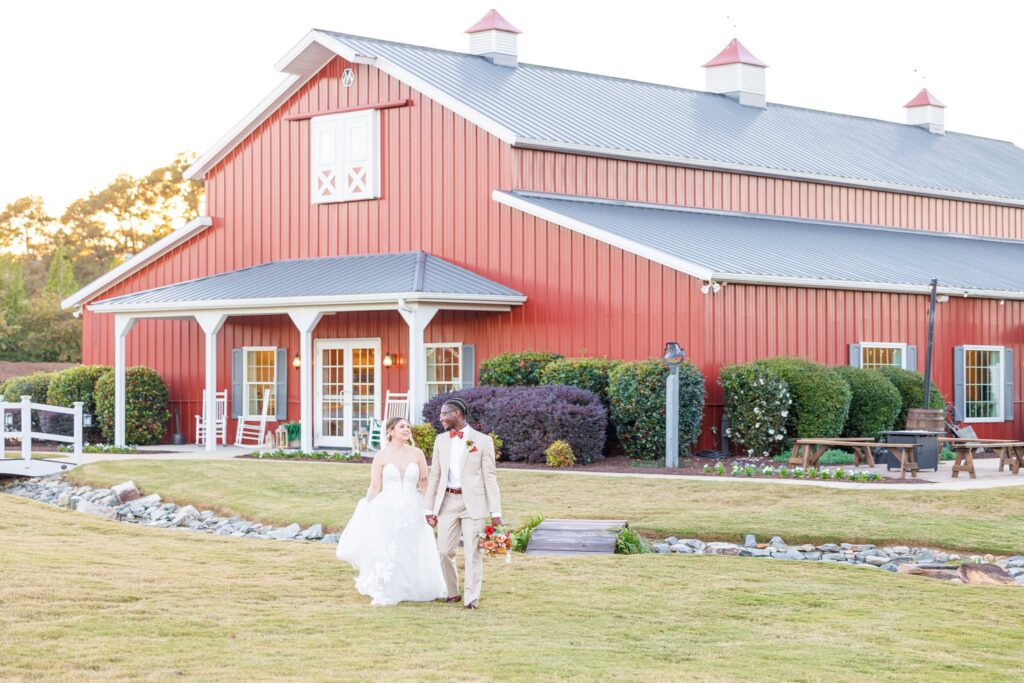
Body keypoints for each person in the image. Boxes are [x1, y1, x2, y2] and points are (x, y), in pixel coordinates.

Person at [336, 417, 447, 606]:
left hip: (414, 507)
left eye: (408, 426)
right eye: (402, 426)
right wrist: (366, 503)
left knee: (414, 547)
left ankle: (416, 585)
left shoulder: (417, 453)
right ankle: (390, 588)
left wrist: (430, 508)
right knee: (391, 547)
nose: (407, 429)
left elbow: (424, 483)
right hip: (388, 508)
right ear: (391, 431)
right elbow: (375, 485)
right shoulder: (381, 456)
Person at [424, 398, 503, 609]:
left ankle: (471, 599)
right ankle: (452, 592)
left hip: (473, 505)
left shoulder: (482, 441)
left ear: (457, 414)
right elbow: (436, 476)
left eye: (444, 414)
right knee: (443, 551)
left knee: (472, 552)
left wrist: (495, 512)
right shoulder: (441, 440)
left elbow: (490, 477)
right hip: (447, 501)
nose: (440, 418)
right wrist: (429, 508)